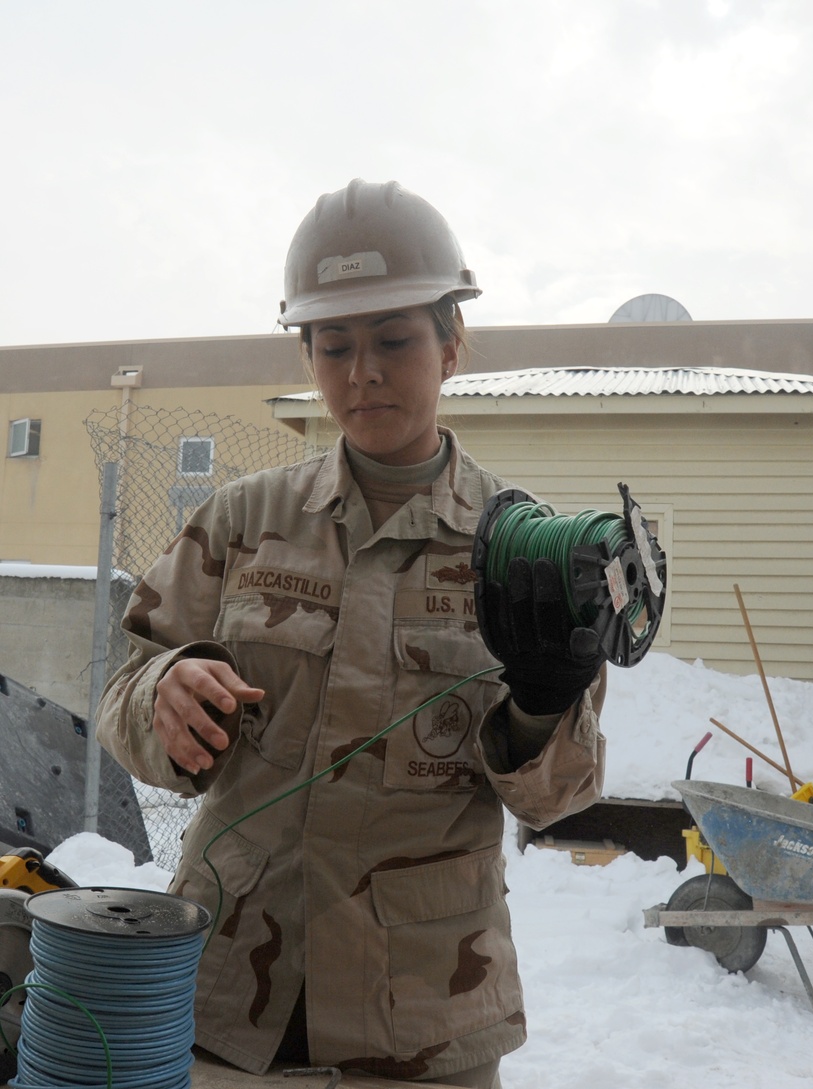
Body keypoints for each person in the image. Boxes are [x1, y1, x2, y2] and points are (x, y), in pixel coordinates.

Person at [96, 179, 607, 1087]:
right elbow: (125, 686)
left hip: (424, 1023)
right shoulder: (243, 522)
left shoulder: (522, 552)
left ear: (451, 345)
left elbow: (557, 798)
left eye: (394, 340)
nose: (362, 370)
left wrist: (541, 702)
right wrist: (162, 692)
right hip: (229, 1005)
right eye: (334, 344)